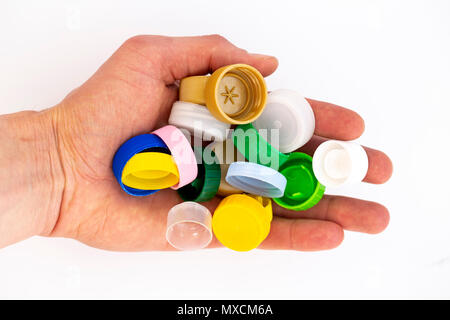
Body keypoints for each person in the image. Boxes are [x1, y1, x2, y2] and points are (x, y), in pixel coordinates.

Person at [0, 35, 393, 251]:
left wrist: (54, 160)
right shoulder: (197, 148)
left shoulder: (252, 154)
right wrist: (56, 156)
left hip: (233, 183)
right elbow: (200, 159)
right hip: (196, 174)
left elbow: (231, 163)